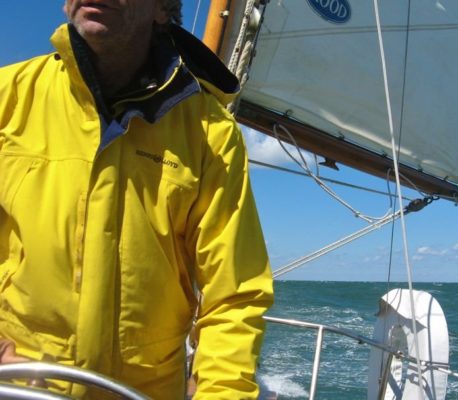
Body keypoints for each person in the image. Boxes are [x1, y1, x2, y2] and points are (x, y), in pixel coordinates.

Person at [0, 0, 274, 398]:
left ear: (162, 10)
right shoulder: (9, 97)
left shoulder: (209, 132)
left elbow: (234, 292)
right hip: (18, 384)